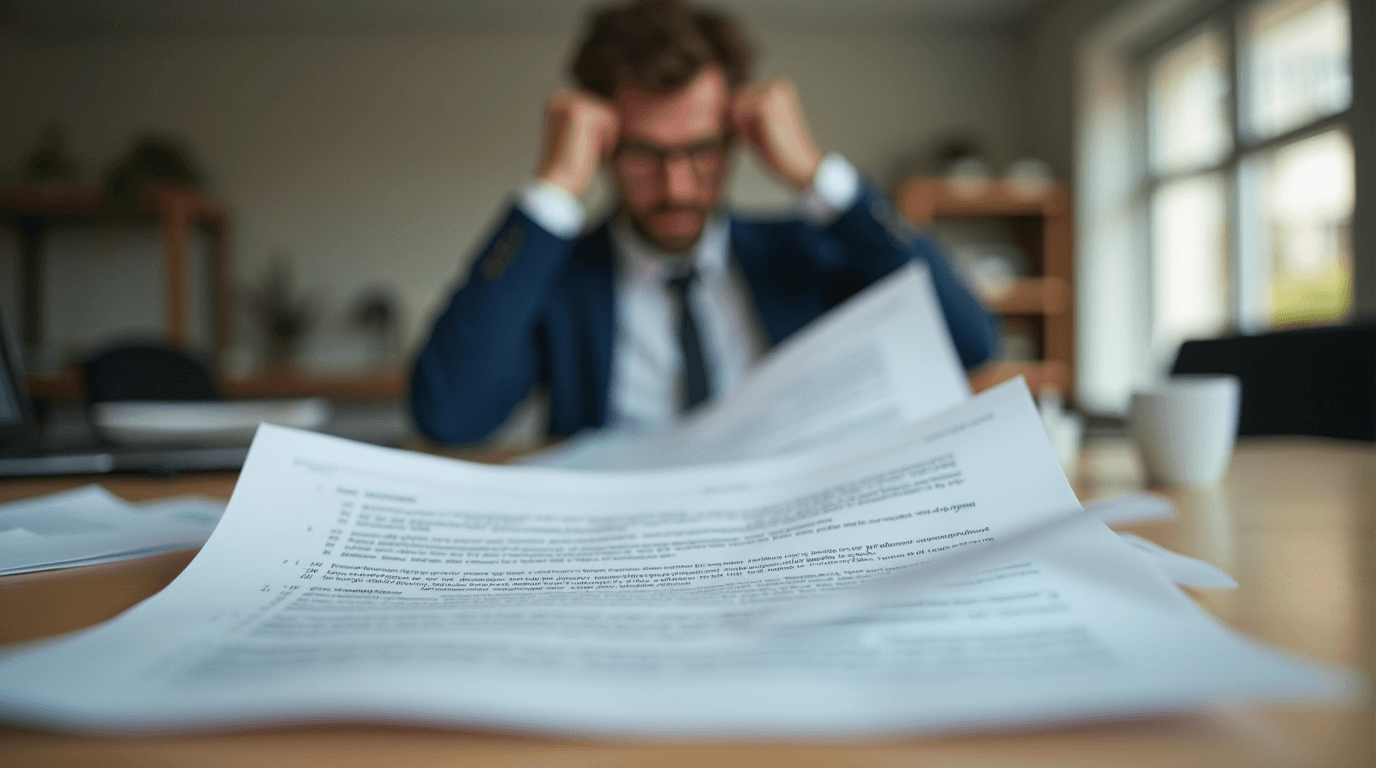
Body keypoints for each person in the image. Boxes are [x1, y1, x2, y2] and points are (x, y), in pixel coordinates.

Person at [411, 0, 998, 444]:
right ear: (604, 146)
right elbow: (449, 416)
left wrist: (816, 175)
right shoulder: (559, 278)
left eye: (701, 150)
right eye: (643, 154)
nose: (677, 188)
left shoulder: (802, 253)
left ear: (737, 137)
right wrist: (554, 187)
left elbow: (970, 342)